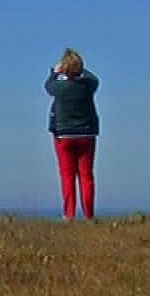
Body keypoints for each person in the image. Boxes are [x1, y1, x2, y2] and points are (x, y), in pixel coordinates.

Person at [45, 48, 100, 221]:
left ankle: (69, 214)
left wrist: (55, 72)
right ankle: (89, 215)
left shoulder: (59, 88)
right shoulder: (87, 87)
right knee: (86, 175)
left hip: (64, 136)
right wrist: (80, 69)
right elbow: (94, 79)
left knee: (67, 176)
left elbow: (47, 85)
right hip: (86, 134)